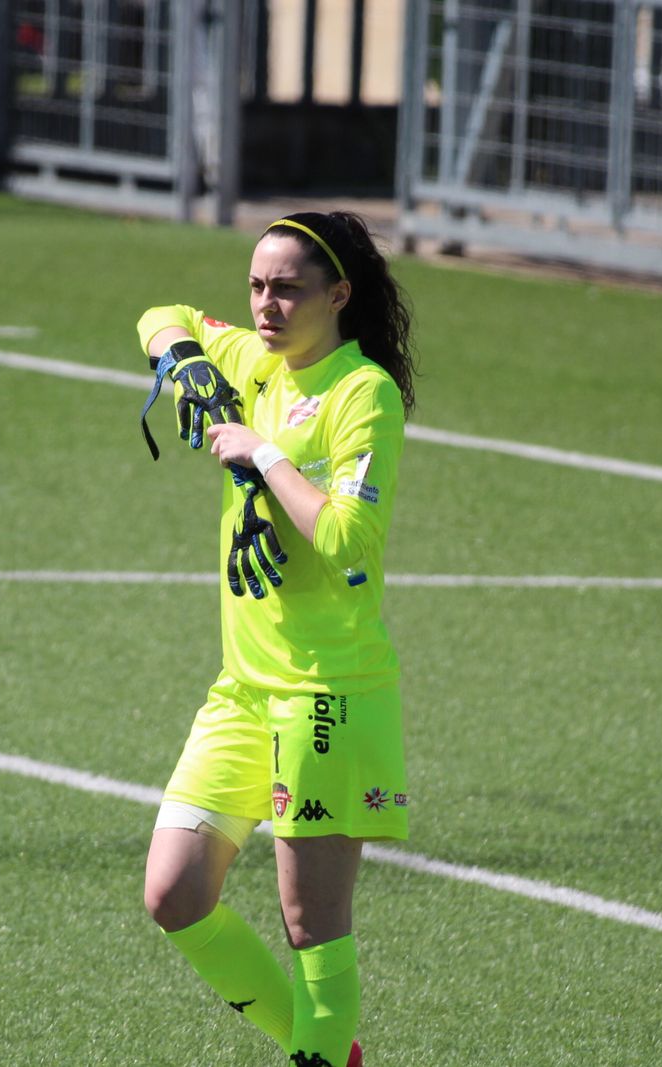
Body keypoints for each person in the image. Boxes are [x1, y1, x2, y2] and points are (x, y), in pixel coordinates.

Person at [135, 211, 417, 1067]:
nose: (266, 304)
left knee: (310, 925)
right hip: (243, 690)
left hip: (325, 695)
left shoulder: (361, 395)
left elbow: (346, 540)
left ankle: (323, 1055)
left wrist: (264, 456)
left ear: (338, 294)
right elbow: (161, 315)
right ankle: (331, 1054)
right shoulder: (256, 360)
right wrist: (182, 362)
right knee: (174, 893)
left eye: (287, 288)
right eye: (257, 285)